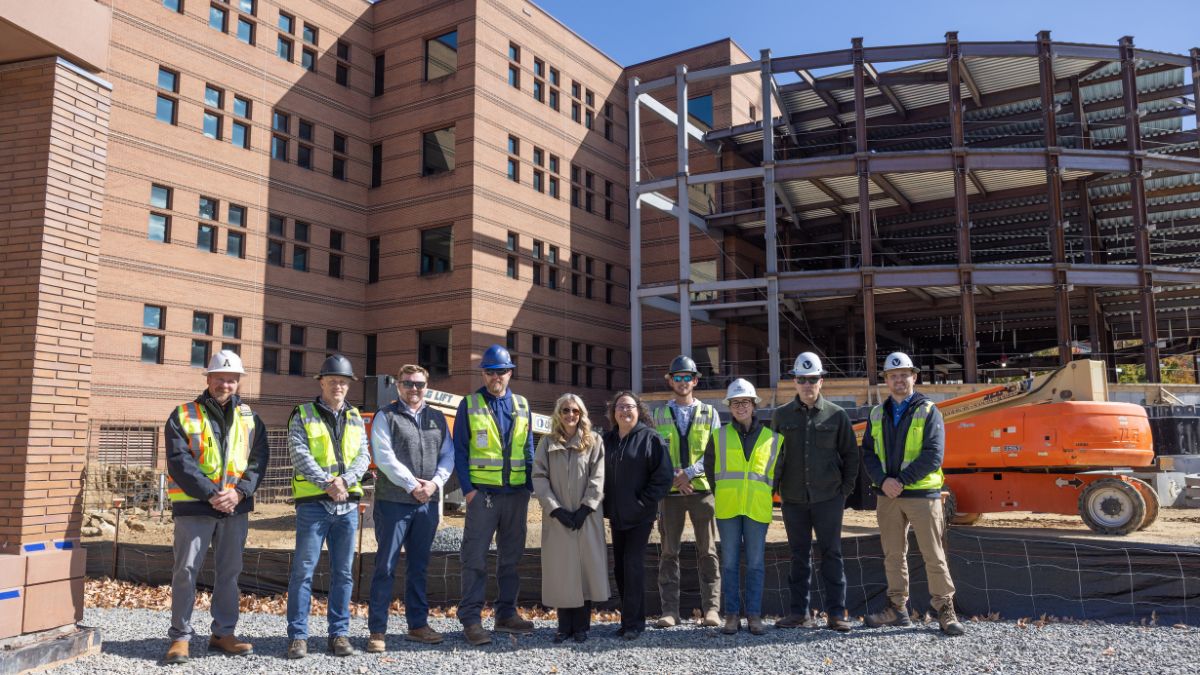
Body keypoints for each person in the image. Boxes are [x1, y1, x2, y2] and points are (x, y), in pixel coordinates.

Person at [162, 350, 269, 665]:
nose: (226, 383)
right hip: (194, 508)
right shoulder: (183, 414)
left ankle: (223, 633)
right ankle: (180, 637)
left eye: (232, 379)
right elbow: (180, 462)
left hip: (235, 508)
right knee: (185, 571)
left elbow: (259, 460)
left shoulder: (251, 417)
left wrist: (239, 493)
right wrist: (212, 494)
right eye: (220, 378)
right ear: (208, 378)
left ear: (239, 382)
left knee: (230, 573)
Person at [862, 352, 965, 636]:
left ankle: (945, 610)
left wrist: (900, 482)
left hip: (922, 495)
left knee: (933, 554)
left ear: (914, 377)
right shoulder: (876, 413)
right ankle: (897, 609)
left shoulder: (929, 410)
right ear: (886, 380)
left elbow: (934, 455)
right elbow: (868, 454)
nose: (899, 380)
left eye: (904, 375)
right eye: (893, 376)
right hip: (888, 496)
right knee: (893, 555)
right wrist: (883, 481)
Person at [285, 354, 372, 659]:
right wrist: (327, 483)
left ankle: (339, 634)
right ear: (321, 382)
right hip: (314, 506)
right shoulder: (302, 414)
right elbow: (298, 453)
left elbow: (363, 455)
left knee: (343, 573)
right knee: (303, 572)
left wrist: (344, 482)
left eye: (343, 381)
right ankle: (298, 636)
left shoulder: (355, 416)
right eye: (333, 380)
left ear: (349, 386)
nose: (339, 385)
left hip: (346, 507)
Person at [366, 364, 455, 652]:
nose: (413, 389)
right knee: (386, 567)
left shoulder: (437, 418)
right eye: (407, 383)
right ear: (398, 386)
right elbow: (383, 456)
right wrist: (411, 485)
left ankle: (418, 625)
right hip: (394, 503)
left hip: (426, 504)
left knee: (419, 567)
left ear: (426, 386)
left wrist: (433, 485)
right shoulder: (386, 415)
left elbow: (448, 455)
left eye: (418, 384)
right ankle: (377, 630)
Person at [454, 344, 536, 646]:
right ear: (483, 374)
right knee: (474, 558)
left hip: (516, 495)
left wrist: (529, 487)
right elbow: (460, 451)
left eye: (501, 371)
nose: (496, 376)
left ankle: (505, 614)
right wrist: (469, 491)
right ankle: (472, 620)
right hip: (483, 497)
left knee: (511, 559)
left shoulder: (523, 405)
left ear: (510, 372)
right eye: (490, 371)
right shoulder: (470, 404)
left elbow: (528, 449)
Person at [772, 352, 859, 632]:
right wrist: (774, 493)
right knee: (798, 556)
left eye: (812, 380)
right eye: (801, 380)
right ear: (794, 382)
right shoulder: (780, 416)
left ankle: (836, 613)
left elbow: (851, 456)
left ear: (821, 381)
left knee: (832, 554)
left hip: (828, 499)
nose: (807, 385)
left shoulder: (837, 415)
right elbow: (772, 458)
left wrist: (844, 491)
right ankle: (799, 613)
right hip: (794, 500)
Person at [650, 355, 722, 628]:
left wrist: (688, 474)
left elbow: (714, 452)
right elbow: (655, 455)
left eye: (687, 378)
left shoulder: (710, 413)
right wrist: (674, 477)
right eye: (676, 377)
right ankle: (670, 611)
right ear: (670, 380)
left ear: (695, 380)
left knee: (709, 551)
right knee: (669, 551)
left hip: (702, 492)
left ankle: (712, 610)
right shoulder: (657, 415)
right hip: (670, 495)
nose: (682, 382)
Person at [532, 393, 608, 644]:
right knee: (562, 571)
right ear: (558, 413)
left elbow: (598, 476)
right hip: (558, 519)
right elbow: (539, 477)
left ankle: (582, 628)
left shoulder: (594, 441)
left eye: (575, 410)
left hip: (587, 517)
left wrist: (586, 508)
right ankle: (563, 627)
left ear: (581, 413)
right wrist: (555, 509)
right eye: (565, 410)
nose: (570, 415)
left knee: (585, 571)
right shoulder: (546, 443)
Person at [706, 379, 779, 636]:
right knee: (729, 564)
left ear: (754, 404)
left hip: (757, 509)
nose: (741, 407)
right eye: (736, 403)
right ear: (730, 406)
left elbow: (776, 474)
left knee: (756, 564)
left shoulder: (772, 438)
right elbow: (711, 470)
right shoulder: (719, 436)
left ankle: (754, 616)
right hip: (728, 509)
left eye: (745, 402)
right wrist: (726, 494)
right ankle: (732, 615)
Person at [603, 390, 673, 640]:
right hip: (617, 515)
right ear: (614, 412)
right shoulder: (608, 440)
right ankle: (628, 621)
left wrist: (643, 501)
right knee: (620, 568)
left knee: (632, 566)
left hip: (640, 516)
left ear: (638, 410)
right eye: (620, 407)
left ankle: (634, 624)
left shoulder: (651, 439)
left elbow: (663, 477)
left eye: (629, 406)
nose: (624, 411)